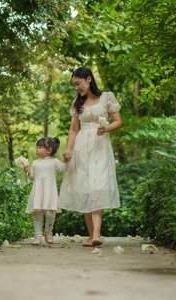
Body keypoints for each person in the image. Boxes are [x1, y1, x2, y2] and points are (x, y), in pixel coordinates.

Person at [59, 67, 122, 247]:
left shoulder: (107, 97)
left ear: (88, 79)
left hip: (100, 146)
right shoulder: (77, 103)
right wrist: (68, 149)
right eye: (74, 85)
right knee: (85, 188)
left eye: (78, 83)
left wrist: (106, 128)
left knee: (97, 187)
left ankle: (96, 234)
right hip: (81, 146)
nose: (76, 88)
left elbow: (118, 121)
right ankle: (90, 235)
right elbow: (73, 129)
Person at [24, 137, 66, 246]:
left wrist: (66, 159)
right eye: (37, 147)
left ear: (49, 150)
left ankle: (48, 232)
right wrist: (28, 172)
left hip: (50, 192)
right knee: (37, 214)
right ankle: (37, 236)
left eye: (40, 147)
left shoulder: (54, 161)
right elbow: (32, 177)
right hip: (38, 191)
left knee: (50, 213)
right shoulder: (35, 163)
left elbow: (63, 168)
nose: (37, 150)